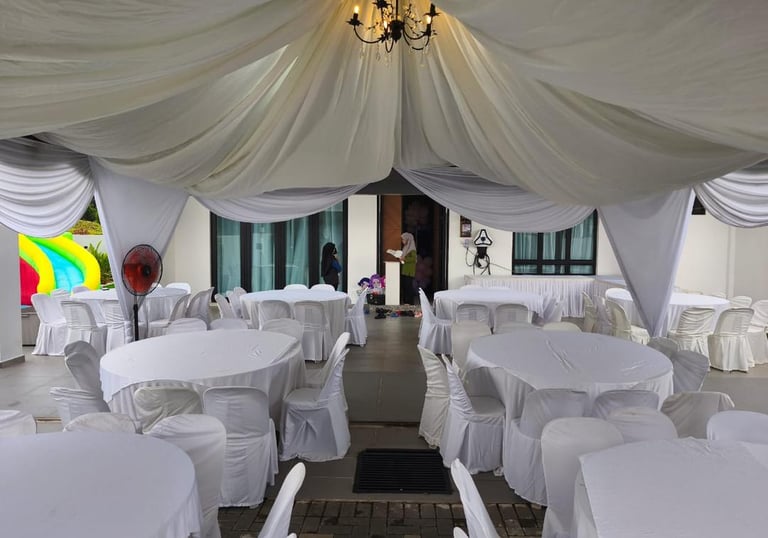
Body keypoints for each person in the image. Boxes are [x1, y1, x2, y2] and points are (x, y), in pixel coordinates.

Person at [399, 232, 417, 304]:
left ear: (408, 240)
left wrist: (404, 259)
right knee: (405, 286)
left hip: (409, 271)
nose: (402, 241)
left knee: (408, 287)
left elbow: (414, 259)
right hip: (404, 270)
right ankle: (406, 302)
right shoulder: (405, 248)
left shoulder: (412, 249)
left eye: (403, 239)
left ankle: (410, 302)